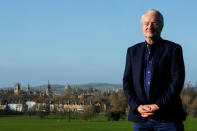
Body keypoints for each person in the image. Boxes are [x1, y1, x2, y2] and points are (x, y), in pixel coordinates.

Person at [123, 9, 187, 131]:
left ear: (161, 26)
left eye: (154, 23)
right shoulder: (132, 51)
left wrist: (158, 105)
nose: (149, 27)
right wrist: (137, 106)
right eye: (146, 23)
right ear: (142, 26)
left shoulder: (173, 49)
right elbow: (127, 82)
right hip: (141, 119)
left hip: (168, 118)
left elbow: (177, 81)